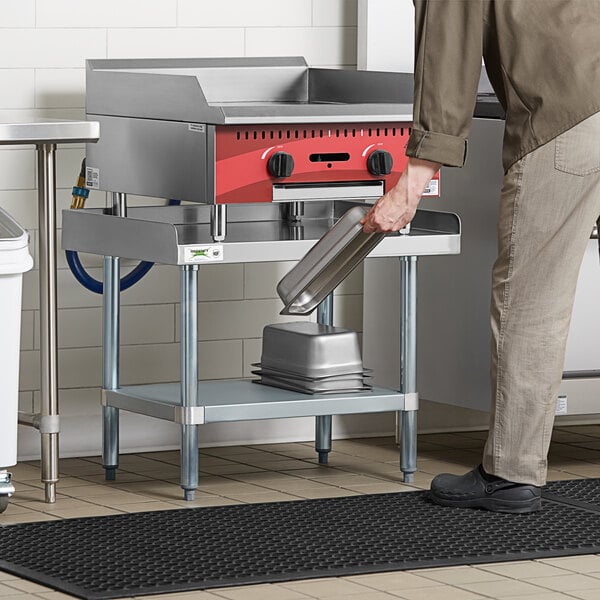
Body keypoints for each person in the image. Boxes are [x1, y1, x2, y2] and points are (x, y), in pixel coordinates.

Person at [362, 0, 600, 513]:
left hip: (569, 120)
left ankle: (511, 474)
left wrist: (409, 187)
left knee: (531, 299)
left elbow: (446, 67)